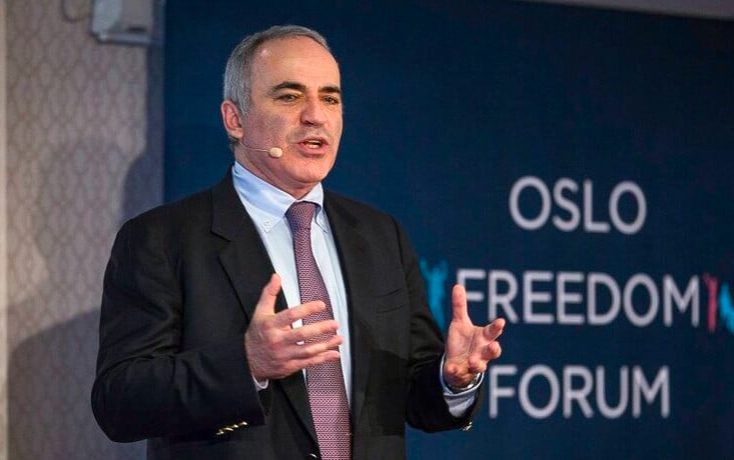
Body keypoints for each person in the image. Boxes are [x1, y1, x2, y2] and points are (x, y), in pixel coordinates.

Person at [92, 25, 505, 460]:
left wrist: (452, 379)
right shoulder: (161, 239)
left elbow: (412, 398)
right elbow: (119, 402)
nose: (315, 116)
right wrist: (246, 364)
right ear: (235, 119)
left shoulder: (381, 236)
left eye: (330, 98)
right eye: (290, 96)